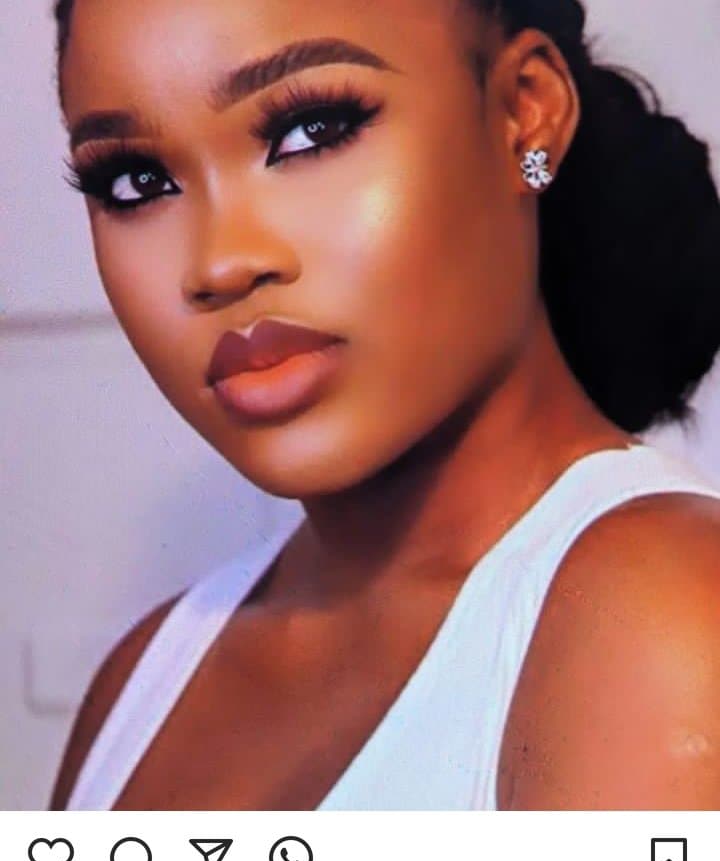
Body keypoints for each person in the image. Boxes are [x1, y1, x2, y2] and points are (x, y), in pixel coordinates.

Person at [49, 0, 720, 811]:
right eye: (136, 181)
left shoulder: (667, 619)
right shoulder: (137, 686)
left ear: (524, 112)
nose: (220, 264)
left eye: (311, 131)